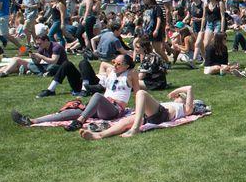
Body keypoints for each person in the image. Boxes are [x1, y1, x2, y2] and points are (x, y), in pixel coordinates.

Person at [11, 55, 141, 131]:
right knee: (71, 111)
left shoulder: (130, 74)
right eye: (114, 62)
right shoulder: (112, 71)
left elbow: (138, 93)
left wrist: (139, 110)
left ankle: (79, 122)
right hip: (101, 107)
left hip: (114, 109)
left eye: (118, 64)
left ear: (127, 66)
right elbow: (103, 64)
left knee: (96, 96)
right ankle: (32, 121)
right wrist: (111, 66)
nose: (115, 65)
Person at [80, 85, 196, 140]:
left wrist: (176, 91)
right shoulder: (171, 103)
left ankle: (135, 129)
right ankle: (99, 135)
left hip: (162, 115)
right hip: (149, 116)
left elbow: (189, 88)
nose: (178, 96)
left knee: (141, 93)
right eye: (177, 96)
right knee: (124, 122)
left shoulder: (185, 108)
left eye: (181, 96)